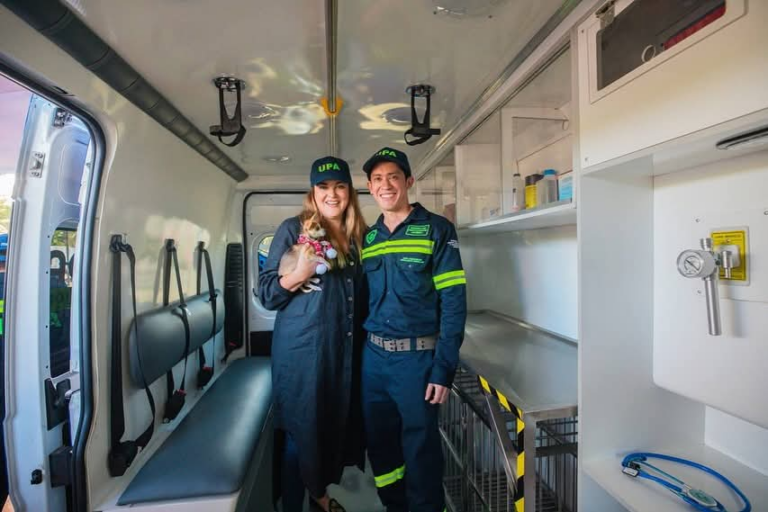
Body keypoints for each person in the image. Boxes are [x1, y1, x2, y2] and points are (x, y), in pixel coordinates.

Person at [360, 148, 467, 511]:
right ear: (370, 187)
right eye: (377, 179)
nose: (385, 185)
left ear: (408, 181)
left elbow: (454, 302)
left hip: (416, 360)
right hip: (373, 360)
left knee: (420, 450)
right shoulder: (369, 239)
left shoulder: (437, 229)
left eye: (393, 177)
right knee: (380, 445)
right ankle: (394, 506)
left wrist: (443, 368)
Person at [258, 156, 368, 512]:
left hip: (343, 352)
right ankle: (294, 504)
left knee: (331, 428)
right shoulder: (293, 230)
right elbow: (266, 294)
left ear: (349, 191)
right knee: (300, 434)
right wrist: (298, 274)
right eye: (323, 187)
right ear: (313, 191)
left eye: (339, 186)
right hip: (302, 354)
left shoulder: (359, 236)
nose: (332, 194)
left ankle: (318, 497)